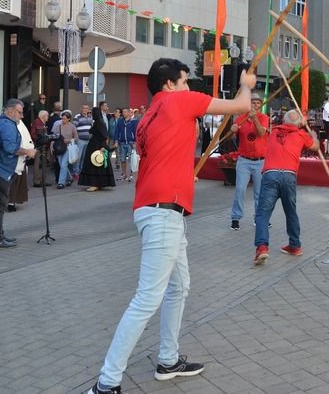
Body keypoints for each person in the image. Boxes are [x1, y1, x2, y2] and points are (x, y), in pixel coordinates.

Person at [86, 58, 256, 394]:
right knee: (147, 299)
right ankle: (107, 382)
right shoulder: (179, 101)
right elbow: (240, 107)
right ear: (169, 84)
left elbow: (162, 156)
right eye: (184, 81)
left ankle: (168, 359)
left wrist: (182, 175)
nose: (188, 86)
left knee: (179, 287)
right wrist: (246, 85)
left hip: (156, 209)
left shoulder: (147, 117)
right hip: (163, 213)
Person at [252, 109, 319, 264]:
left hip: (270, 174)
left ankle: (262, 247)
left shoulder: (273, 132)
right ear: (299, 123)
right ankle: (295, 246)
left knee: (263, 214)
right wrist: (313, 135)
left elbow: (262, 131)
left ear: (283, 120)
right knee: (291, 212)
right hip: (289, 175)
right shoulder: (301, 134)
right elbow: (315, 147)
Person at [0, 99, 37, 248]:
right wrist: (28, 152)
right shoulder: (6, 124)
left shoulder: (5, 122)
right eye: (20, 112)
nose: (22, 116)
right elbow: (10, 148)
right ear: (10, 111)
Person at [229, 93, 269, 231]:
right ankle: (236, 217)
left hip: (260, 161)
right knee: (240, 189)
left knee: (259, 192)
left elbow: (261, 133)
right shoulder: (240, 118)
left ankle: (260, 218)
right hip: (244, 161)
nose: (255, 105)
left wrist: (254, 119)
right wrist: (232, 131)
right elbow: (231, 138)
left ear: (261, 105)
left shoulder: (264, 118)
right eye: (253, 102)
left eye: (258, 103)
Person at [78, 101, 116, 192]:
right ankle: (98, 184)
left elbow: (104, 135)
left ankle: (94, 184)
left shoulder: (99, 122)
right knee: (97, 164)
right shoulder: (98, 122)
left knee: (95, 164)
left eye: (92, 113)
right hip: (95, 146)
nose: (91, 114)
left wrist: (103, 146)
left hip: (97, 146)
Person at [6, 118, 33, 212]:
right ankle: (10, 202)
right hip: (11, 158)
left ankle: (12, 201)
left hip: (19, 157)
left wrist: (29, 150)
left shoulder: (19, 123)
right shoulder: (7, 124)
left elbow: (25, 138)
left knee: (16, 180)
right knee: (12, 180)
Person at [54, 111, 78, 189]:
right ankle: (70, 178)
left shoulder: (72, 127)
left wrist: (68, 140)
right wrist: (52, 146)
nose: (63, 120)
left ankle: (61, 183)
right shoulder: (58, 126)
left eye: (64, 119)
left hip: (68, 147)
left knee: (64, 164)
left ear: (69, 119)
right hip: (59, 147)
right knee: (62, 165)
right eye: (62, 119)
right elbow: (55, 137)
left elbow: (76, 138)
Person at [114, 107, 137, 182]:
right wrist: (116, 141)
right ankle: (124, 174)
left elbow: (136, 132)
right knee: (122, 159)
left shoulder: (133, 122)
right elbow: (117, 132)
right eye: (123, 112)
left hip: (130, 143)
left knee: (131, 160)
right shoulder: (120, 121)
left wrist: (135, 142)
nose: (124, 113)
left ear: (129, 113)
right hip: (122, 143)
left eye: (125, 112)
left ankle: (131, 175)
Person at [30, 110, 50, 187]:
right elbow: (33, 134)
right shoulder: (37, 122)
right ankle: (37, 181)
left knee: (44, 163)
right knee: (37, 163)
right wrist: (39, 140)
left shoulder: (42, 123)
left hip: (43, 145)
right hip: (39, 146)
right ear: (43, 116)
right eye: (47, 116)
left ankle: (42, 180)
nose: (48, 117)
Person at [73, 104, 93, 178]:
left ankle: (81, 172)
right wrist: (76, 138)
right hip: (80, 140)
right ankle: (76, 173)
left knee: (84, 157)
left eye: (86, 108)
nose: (85, 110)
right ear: (81, 109)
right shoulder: (77, 117)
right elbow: (74, 128)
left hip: (88, 140)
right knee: (78, 157)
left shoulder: (90, 117)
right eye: (84, 108)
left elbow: (91, 128)